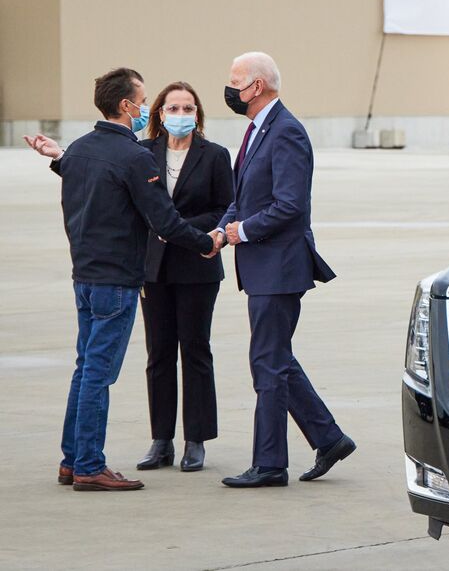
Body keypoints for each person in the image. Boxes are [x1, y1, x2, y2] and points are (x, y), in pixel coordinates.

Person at [23, 68, 219, 491]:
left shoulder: (79, 149)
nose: (145, 107)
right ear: (127, 106)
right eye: (143, 99)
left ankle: (71, 460)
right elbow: (163, 219)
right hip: (116, 281)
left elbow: (84, 176)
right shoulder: (134, 156)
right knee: (99, 373)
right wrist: (204, 243)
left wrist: (57, 156)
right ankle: (90, 465)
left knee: (84, 368)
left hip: (85, 277)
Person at [212, 52, 354, 488]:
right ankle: (328, 438)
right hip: (262, 265)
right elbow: (246, 197)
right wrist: (221, 231)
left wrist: (244, 232)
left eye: (235, 82)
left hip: (279, 265)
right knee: (275, 358)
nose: (230, 90)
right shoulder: (257, 131)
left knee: (267, 363)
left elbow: (289, 206)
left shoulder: (286, 131)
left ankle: (271, 464)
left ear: (256, 86)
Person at [134, 82, 234, 473]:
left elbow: (224, 208)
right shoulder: (142, 154)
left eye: (187, 107)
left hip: (197, 265)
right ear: (159, 113)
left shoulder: (214, 156)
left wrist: (176, 227)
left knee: (195, 349)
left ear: (198, 113)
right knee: (158, 353)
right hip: (153, 268)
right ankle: (161, 440)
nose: (180, 114)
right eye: (173, 107)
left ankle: (197, 439)